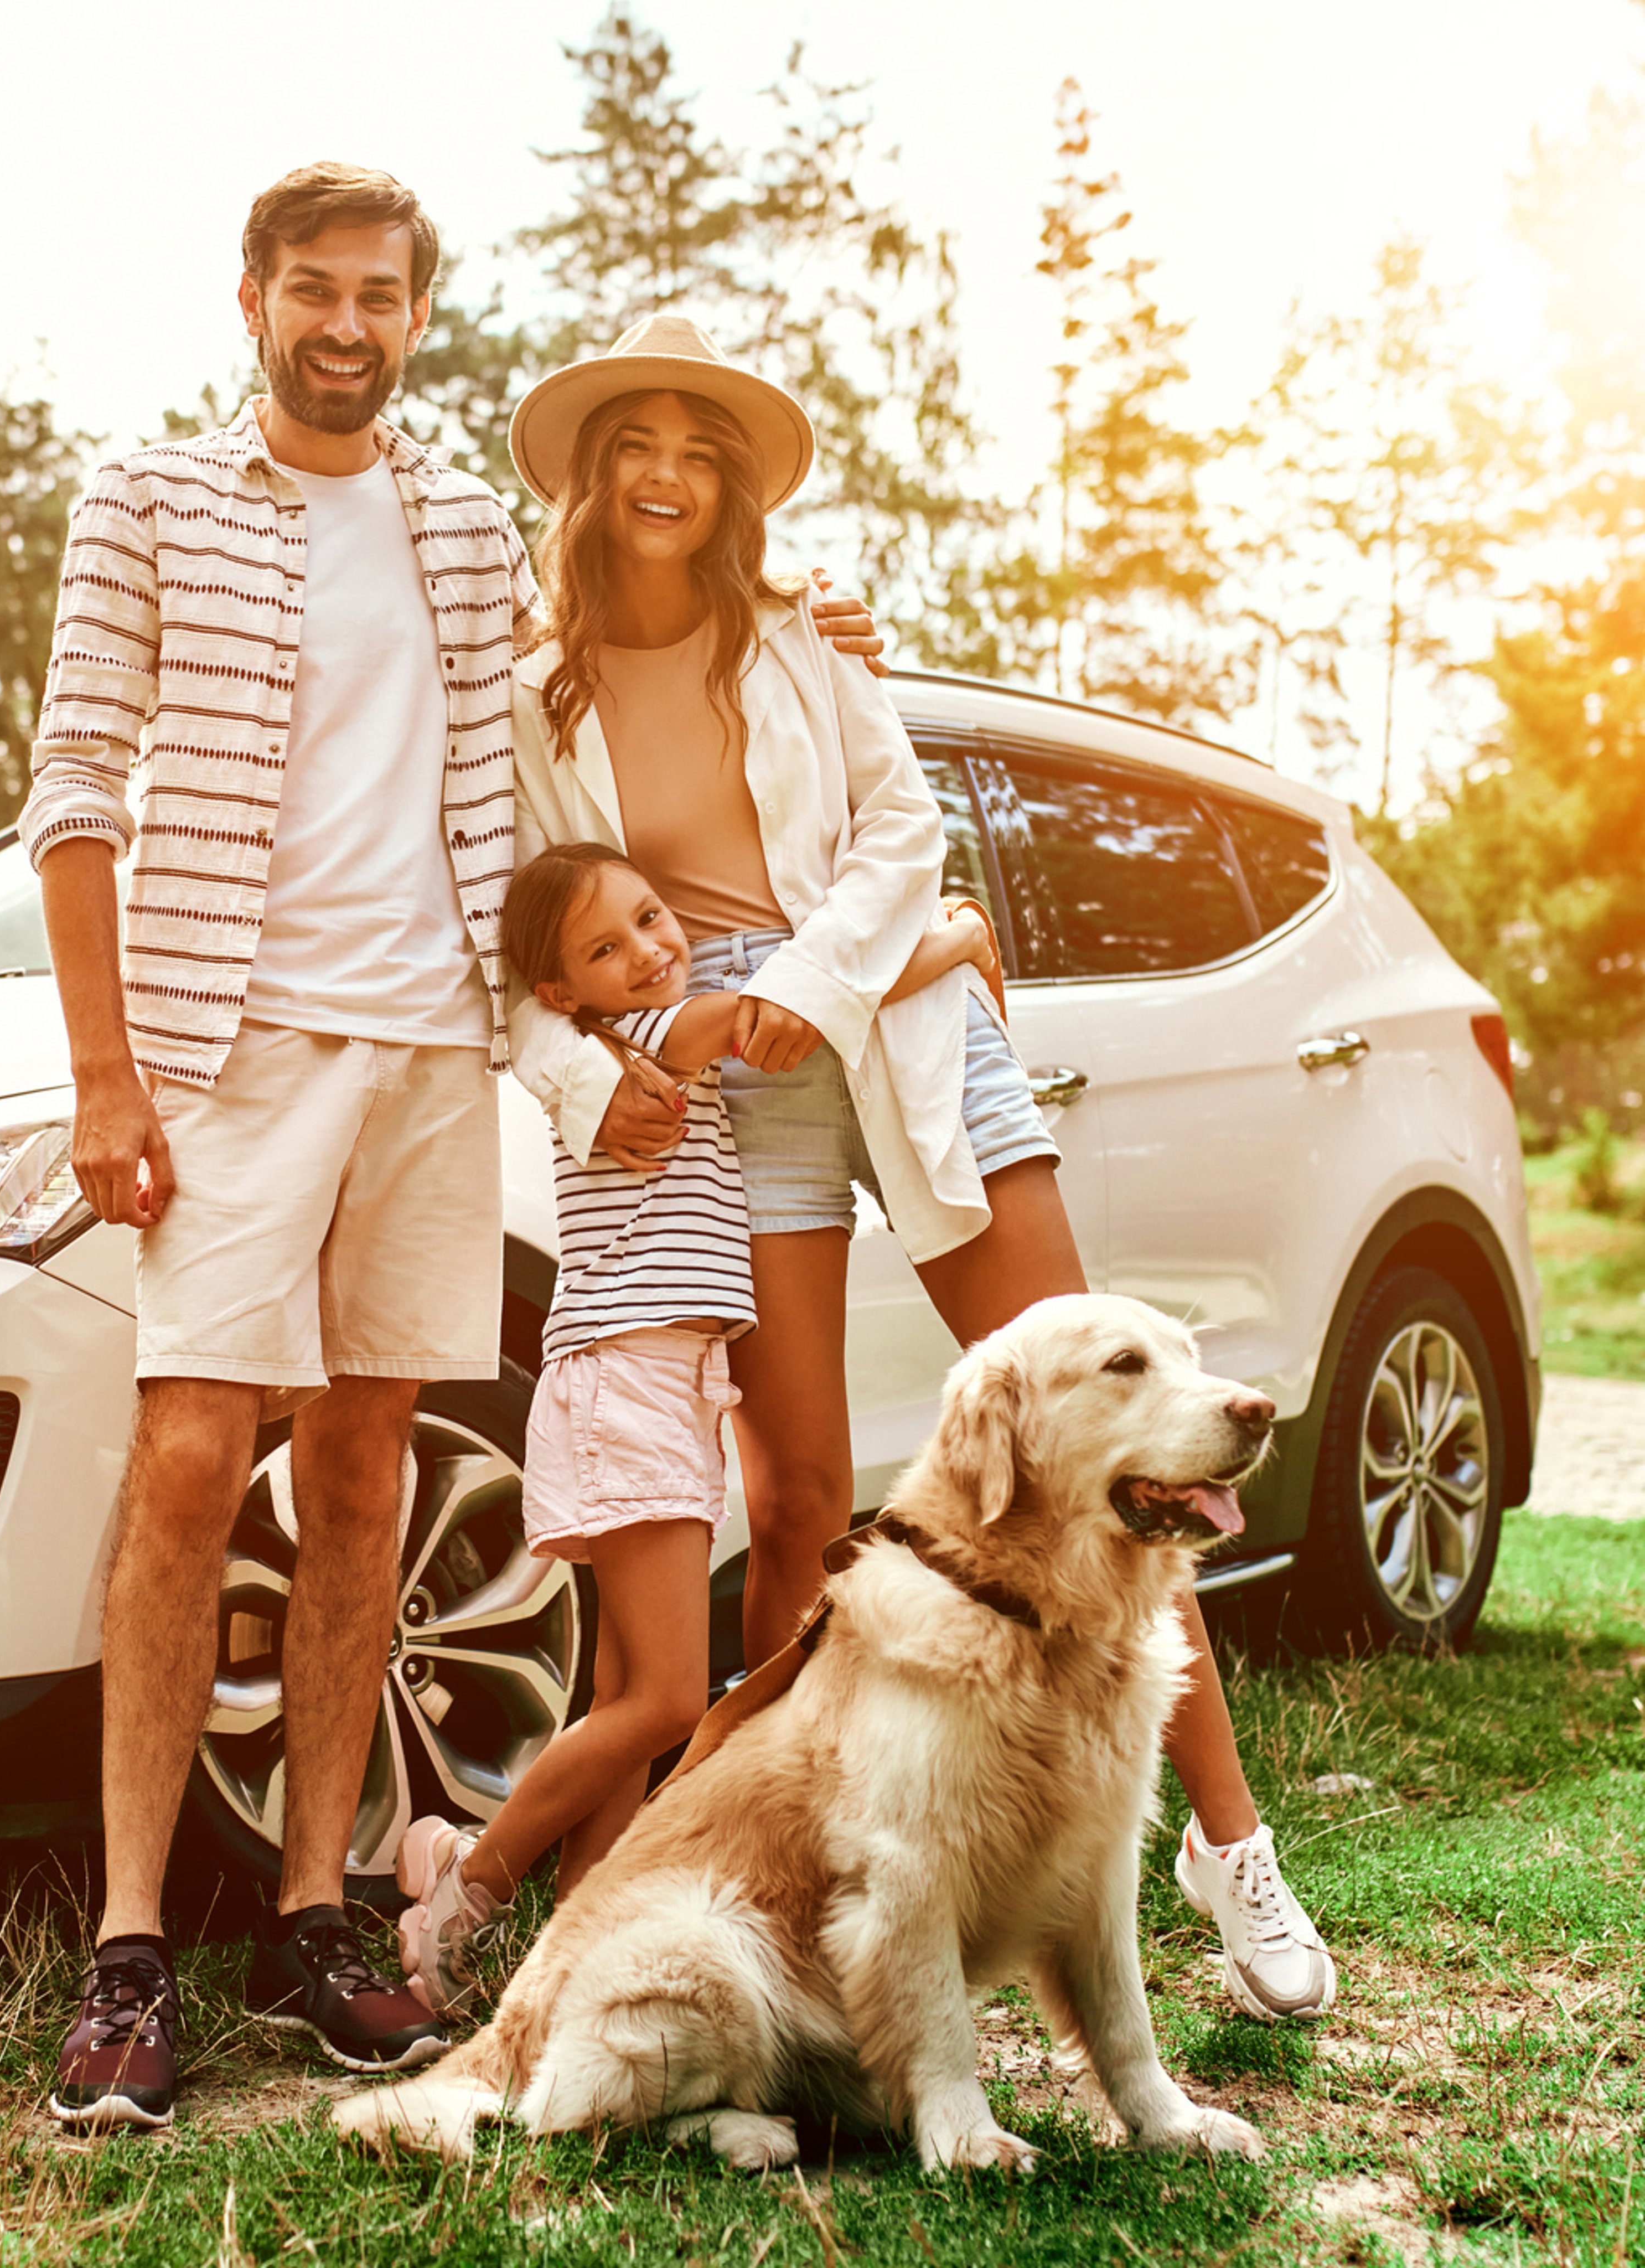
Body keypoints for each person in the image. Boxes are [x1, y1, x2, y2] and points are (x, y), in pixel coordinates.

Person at [23, 168, 886, 2127]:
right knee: (184, 1457)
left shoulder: (462, 521)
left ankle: (320, 1911)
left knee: (364, 1472)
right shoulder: (144, 503)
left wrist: (815, 626)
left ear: (419, 317)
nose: (347, 324)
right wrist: (104, 1072)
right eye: (312, 291)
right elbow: (74, 789)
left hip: (429, 1052)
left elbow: (591, 692)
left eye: (381, 297)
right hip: (228, 1050)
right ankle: (130, 1944)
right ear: (252, 299)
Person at [501, 314, 1338, 2026]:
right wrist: (616, 1068)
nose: (666, 474)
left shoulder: (807, 633)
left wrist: (808, 984)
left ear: (731, 483)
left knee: (1113, 1431)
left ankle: (1230, 1851)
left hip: (894, 1024)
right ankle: (783, 1868)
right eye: (636, 445)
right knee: (803, 1503)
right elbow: (512, 936)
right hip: (732, 1080)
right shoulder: (531, 689)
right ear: (592, 475)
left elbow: (901, 833)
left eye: (698, 449)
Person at [392, 843, 1001, 2014]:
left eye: (653, 919)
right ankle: (467, 1884)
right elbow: (792, 1010)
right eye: (606, 948)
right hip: (630, 1382)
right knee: (667, 1702)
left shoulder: (636, 1034)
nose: (649, 952)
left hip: (654, 1383)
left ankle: (568, 1954)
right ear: (561, 998)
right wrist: (956, 941)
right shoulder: (653, 1040)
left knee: (624, 1696)